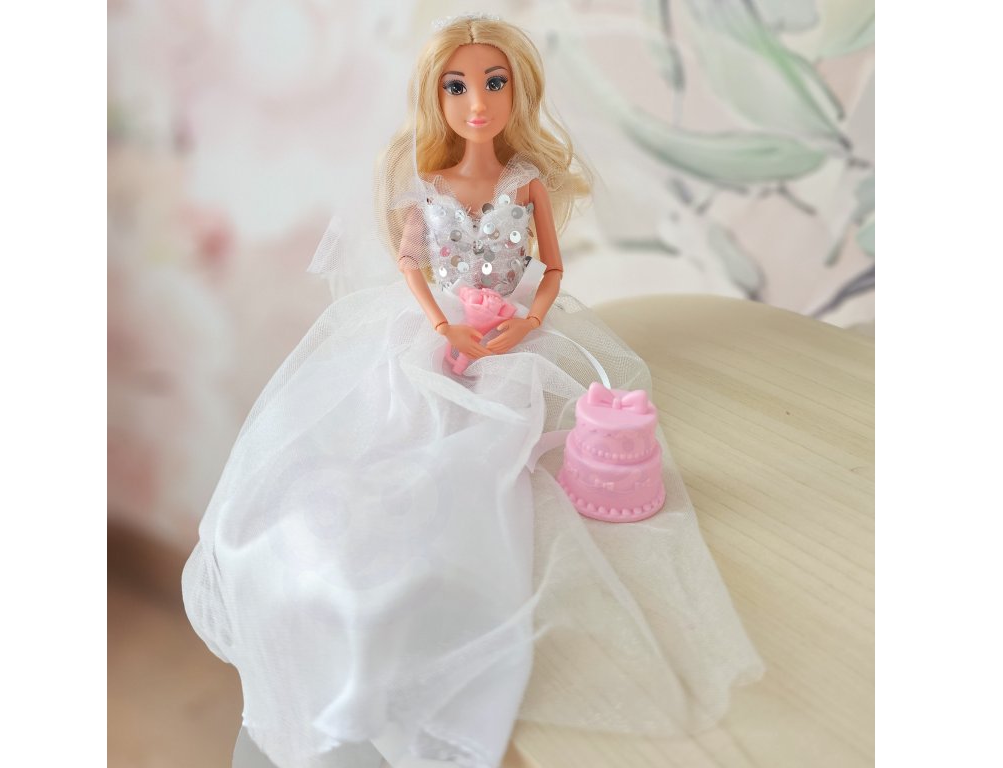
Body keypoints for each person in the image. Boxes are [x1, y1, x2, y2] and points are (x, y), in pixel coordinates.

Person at [183, 14, 763, 768]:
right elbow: (411, 267)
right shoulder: (425, 186)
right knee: (382, 444)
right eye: (457, 86)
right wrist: (442, 326)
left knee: (492, 470)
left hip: (515, 339)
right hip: (439, 332)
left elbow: (552, 270)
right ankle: (358, 618)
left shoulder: (525, 185)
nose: (478, 102)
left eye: (494, 82)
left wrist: (528, 322)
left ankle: (436, 622)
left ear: (519, 91)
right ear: (435, 95)